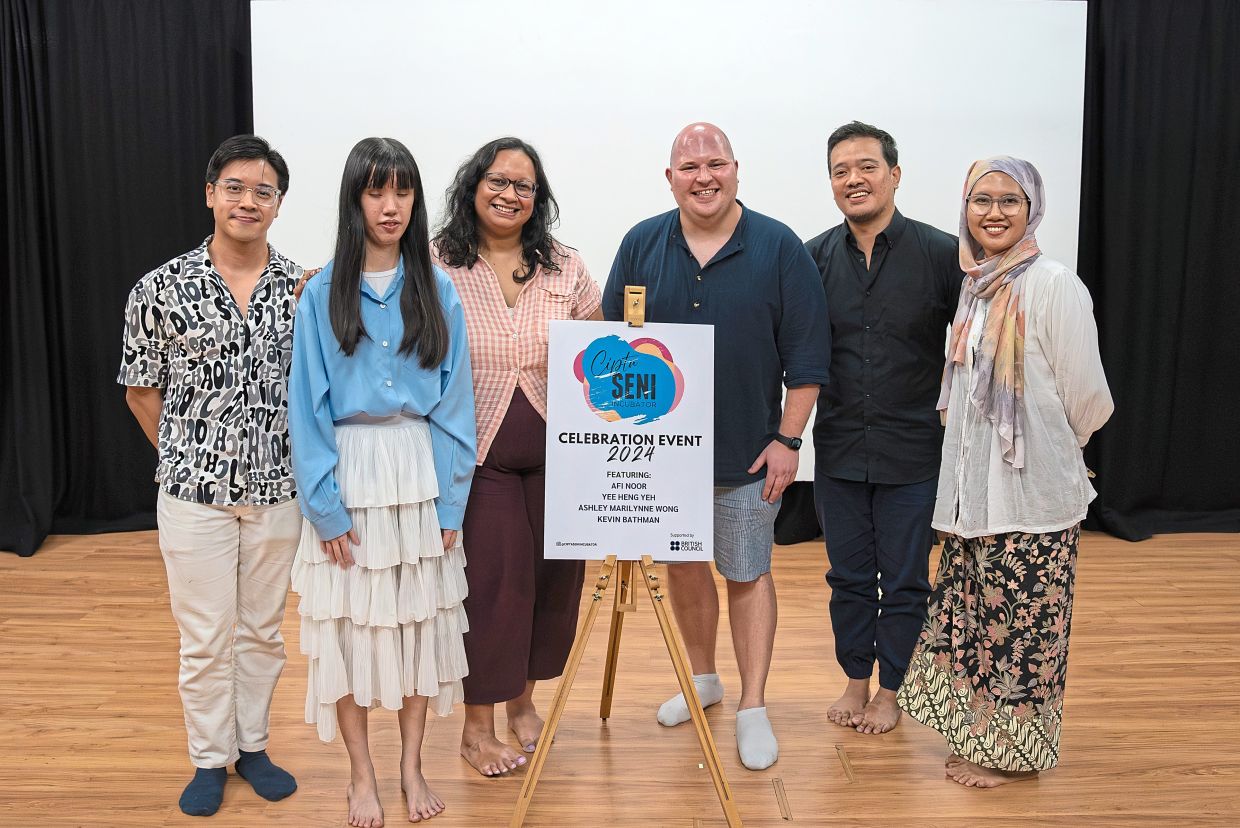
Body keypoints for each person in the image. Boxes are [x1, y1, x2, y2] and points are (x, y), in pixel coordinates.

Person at [603, 123, 830, 771]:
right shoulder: (642, 244)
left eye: (715, 163)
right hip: (662, 459)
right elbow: (612, 344)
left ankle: (754, 705)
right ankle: (703, 680)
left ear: (736, 170)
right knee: (684, 568)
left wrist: (789, 440)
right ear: (669, 177)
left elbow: (808, 357)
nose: (703, 176)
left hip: (748, 455)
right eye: (688, 166)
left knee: (748, 572)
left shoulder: (779, 247)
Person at [896, 156, 1113, 787]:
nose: (993, 213)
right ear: (964, 209)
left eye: (1009, 201)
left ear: (1032, 210)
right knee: (980, 620)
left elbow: (1089, 399)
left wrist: (1047, 450)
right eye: (981, 200)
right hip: (975, 500)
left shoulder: (1053, 285)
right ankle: (986, 738)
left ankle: (1014, 758)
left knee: (1025, 627)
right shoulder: (975, 287)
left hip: (1032, 497)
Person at [288, 137, 475, 825]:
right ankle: (360, 776)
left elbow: (456, 403)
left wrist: (453, 497)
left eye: (402, 191)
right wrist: (326, 508)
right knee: (348, 626)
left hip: (418, 470)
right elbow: (304, 407)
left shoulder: (439, 287)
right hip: (351, 468)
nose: (390, 205)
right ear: (355, 199)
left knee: (420, 620)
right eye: (376, 191)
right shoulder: (321, 291)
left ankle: (411, 765)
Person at [118, 134, 305, 816]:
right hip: (193, 495)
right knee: (204, 636)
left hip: (279, 491)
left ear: (278, 205)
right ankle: (207, 757)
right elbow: (142, 391)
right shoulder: (160, 287)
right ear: (210, 194)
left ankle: (251, 745)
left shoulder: (303, 289)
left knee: (262, 631)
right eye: (235, 187)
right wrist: (184, 455)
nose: (247, 201)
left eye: (263, 191)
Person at [433, 137, 603, 776]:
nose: (510, 195)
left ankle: (522, 703)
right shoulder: (437, 263)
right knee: (495, 586)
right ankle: (477, 728)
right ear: (473, 186)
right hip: (479, 458)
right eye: (498, 181)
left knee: (553, 581)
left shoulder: (566, 265)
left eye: (524, 186)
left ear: (539, 198)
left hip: (561, 454)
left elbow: (600, 349)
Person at [804, 122, 964, 735]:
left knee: (904, 579)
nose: (854, 180)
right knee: (846, 577)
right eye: (841, 171)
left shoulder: (940, 253)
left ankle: (890, 689)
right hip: (840, 449)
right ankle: (854, 678)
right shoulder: (812, 257)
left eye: (867, 167)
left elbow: (981, 333)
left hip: (915, 451)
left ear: (894, 175)